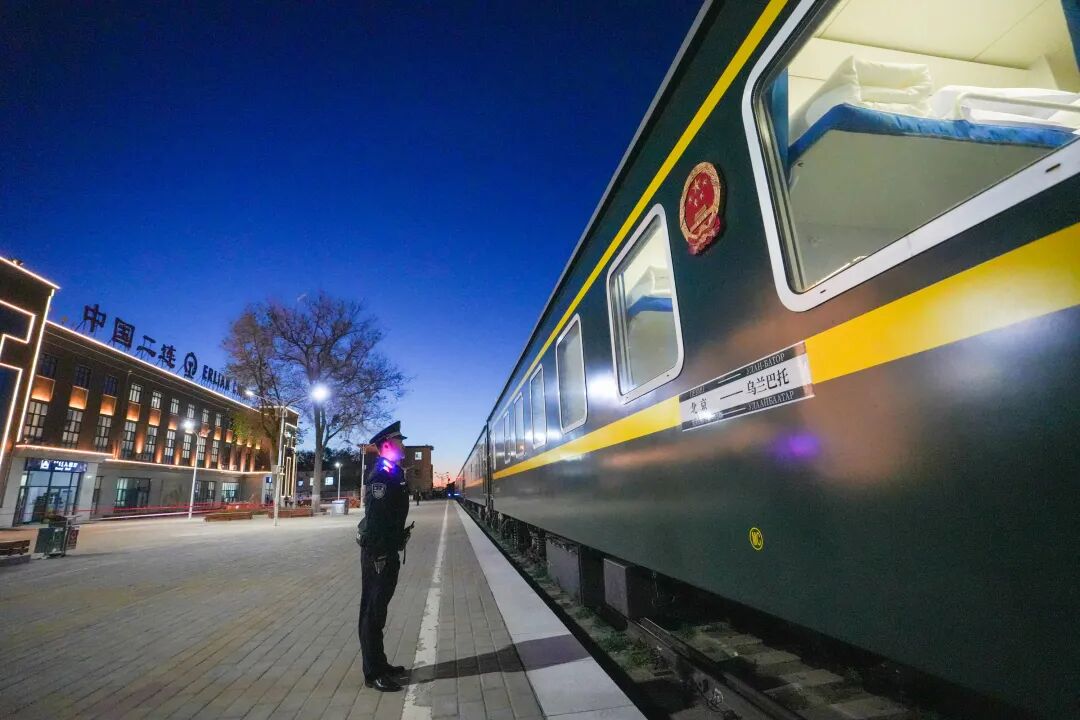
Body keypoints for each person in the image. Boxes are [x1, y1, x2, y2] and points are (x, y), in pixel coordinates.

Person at [357, 421, 411, 692]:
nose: (403, 445)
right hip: (378, 553)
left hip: (386, 550)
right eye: (399, 441)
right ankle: (373, 673)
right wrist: (379, 554)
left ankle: (380, 663)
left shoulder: (392, 471)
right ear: (387, 445)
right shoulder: (381, 475)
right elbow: (376, 519)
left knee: (380, 610)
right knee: (372, 612)